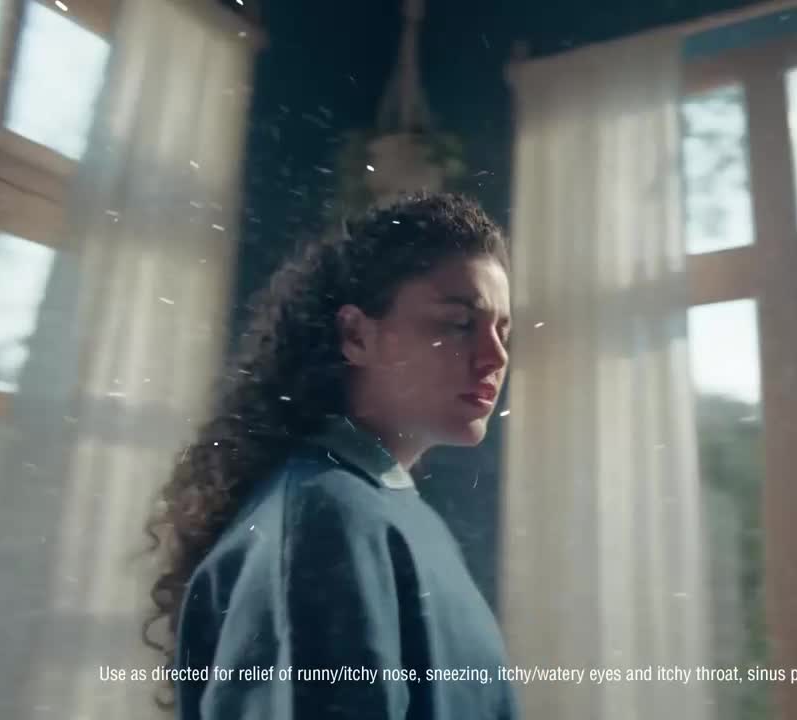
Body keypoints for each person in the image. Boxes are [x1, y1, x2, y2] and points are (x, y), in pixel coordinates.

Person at [142, 193, 520, 719]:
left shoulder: (384, 510)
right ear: (356, 335)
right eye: (458, 324)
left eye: (503, 330)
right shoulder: (328, 516)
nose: (495, 356)